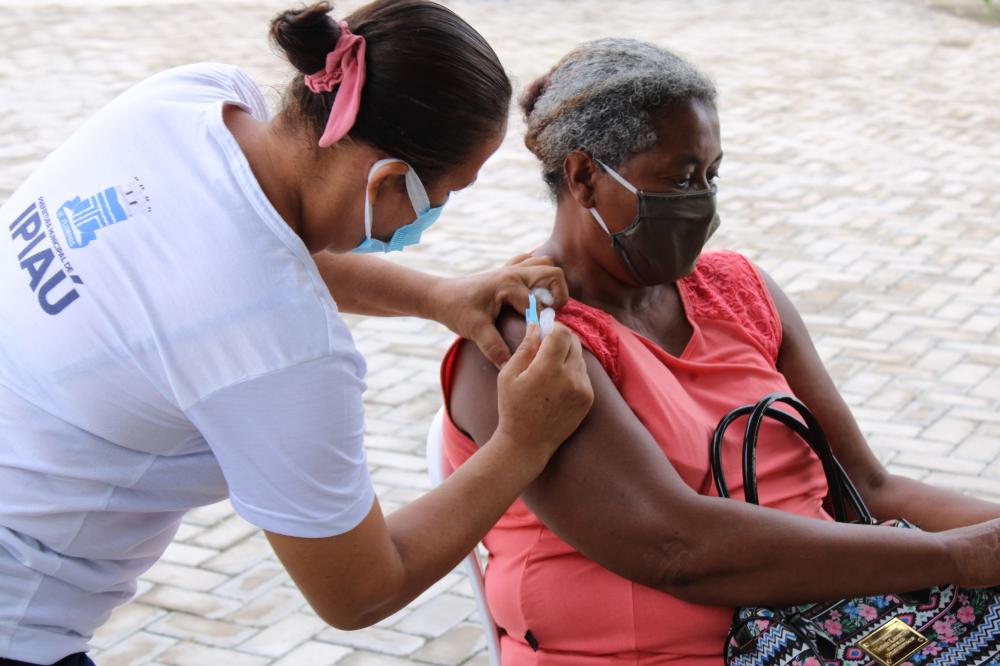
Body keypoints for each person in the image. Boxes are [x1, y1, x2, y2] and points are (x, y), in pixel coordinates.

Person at [0, 2, 594, 664]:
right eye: (444, 195)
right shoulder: (286, 352)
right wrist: (522, 442)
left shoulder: (185, 99)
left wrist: (435, 296)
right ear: (390, 179)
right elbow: (361, 589)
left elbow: (242, 256)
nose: (437, 217)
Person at [442, 38, 1000, 665]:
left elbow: (867, 486)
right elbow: (676, 548)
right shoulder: (530, 339)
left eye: (712, 176)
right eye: (680, 179)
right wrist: (960, 557)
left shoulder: (738, 291)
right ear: (584, 177)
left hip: (831, 631)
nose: (703, 202)